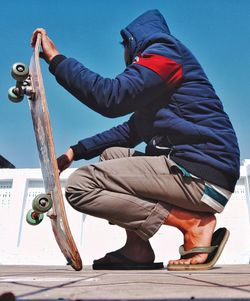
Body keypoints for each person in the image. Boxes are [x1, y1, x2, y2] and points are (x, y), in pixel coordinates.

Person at [31, 9, 240, 271]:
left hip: (203, 173)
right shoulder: (159, 82)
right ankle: (137, 249)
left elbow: (110, 97)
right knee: (111, 155)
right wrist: (75, 151)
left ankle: (192, 224)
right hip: (198, 168)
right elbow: (129, 132)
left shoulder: (164, 53)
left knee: (81, 186)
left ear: (130, 45)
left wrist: (57, 61)